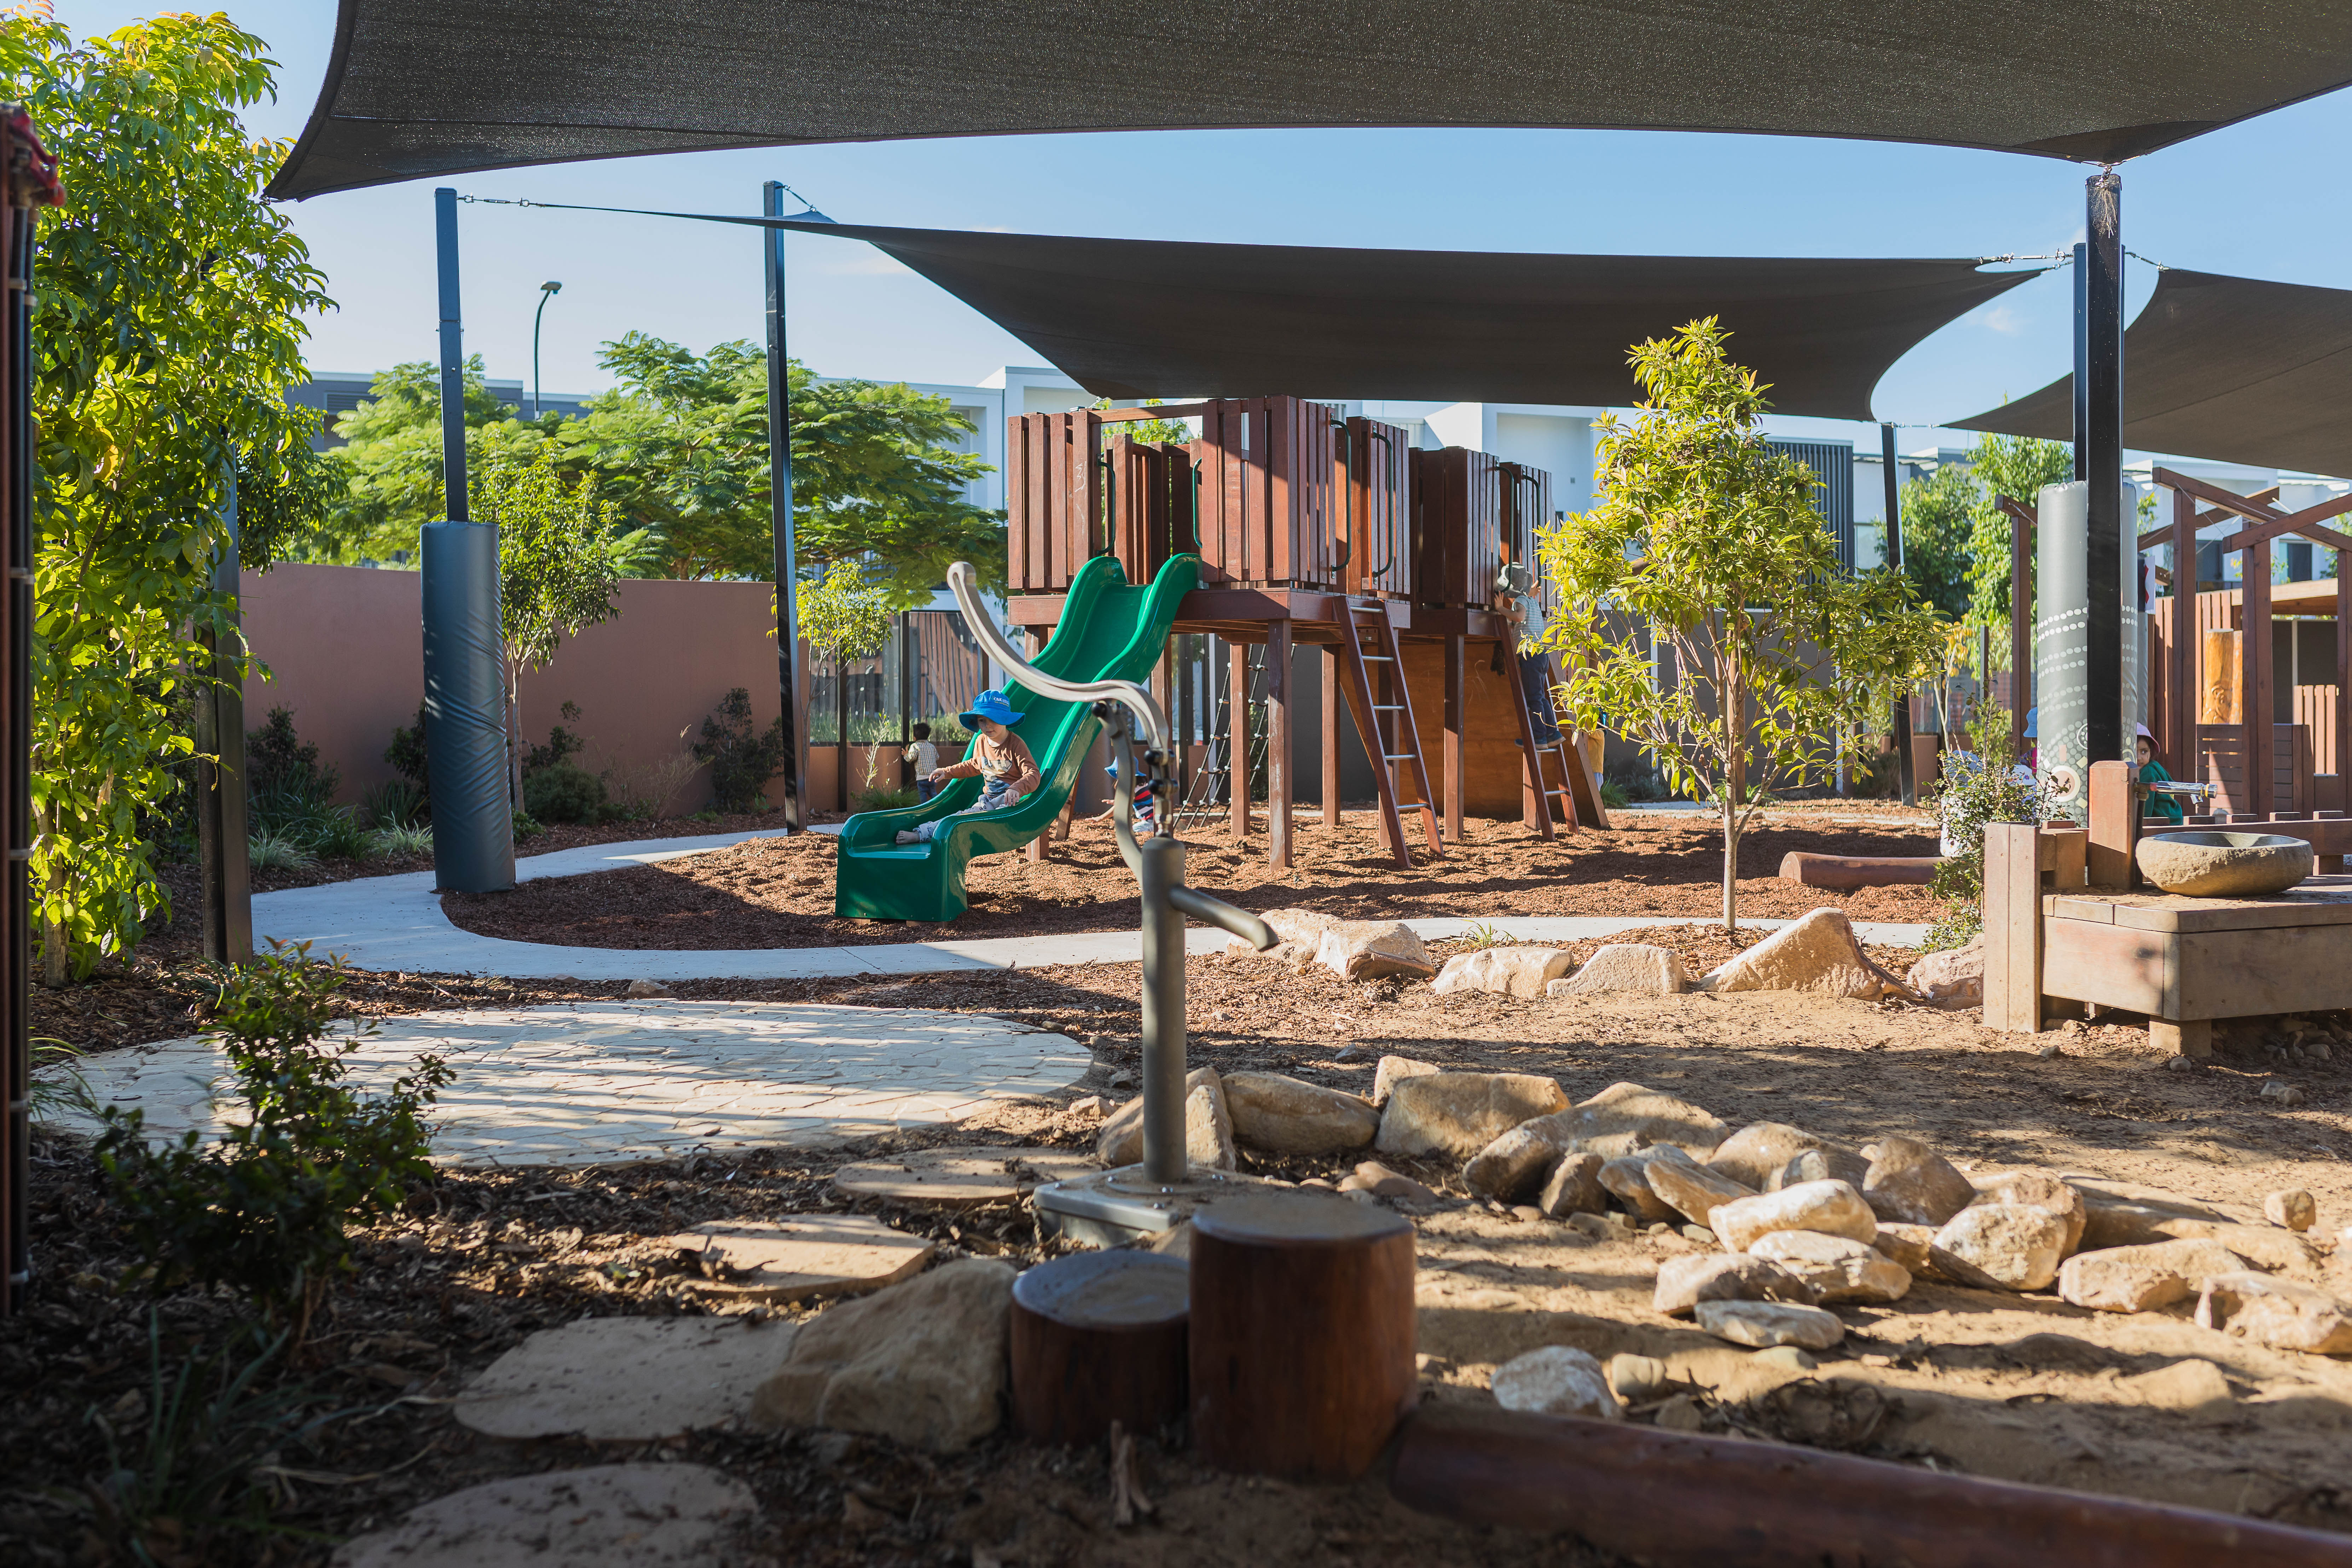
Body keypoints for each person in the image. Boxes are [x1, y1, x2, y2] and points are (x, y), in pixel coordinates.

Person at [896, 690, 1040, 844]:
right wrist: (947, 772)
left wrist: (1017, 788)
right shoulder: (981, 741)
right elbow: (973, 765)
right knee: (959, 819)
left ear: (1005, 718)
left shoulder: (1016, 745)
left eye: (993, 719)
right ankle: (921, 834)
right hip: (988, 803)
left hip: (1011, 804)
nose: (987, 725)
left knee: (986, 820)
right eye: (982, 720)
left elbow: (1033, 774)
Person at [1491, 533, 1560, 743]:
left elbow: (1519, 616)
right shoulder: (1531, 601)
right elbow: (1526, 610)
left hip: (1530, 656)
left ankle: (1538, 737)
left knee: (1533, 699)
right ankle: (1553, 733)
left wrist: (1500, 609)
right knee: (1540, 696)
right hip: (1542, 655)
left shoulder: (1520, 602)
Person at [2136, 725, 2184, 824]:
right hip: (2175, 820)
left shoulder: (2148, 773)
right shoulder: (2155, 766)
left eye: (2144, 752)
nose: (2139, 758)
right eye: (2134, 751)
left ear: (2150, 752)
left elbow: (2145, 812)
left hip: (2164, 825)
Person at [1091, 758, 1155, 829]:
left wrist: (1100, 818)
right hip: (1157, 818)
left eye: (1117, 772)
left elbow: (1121, 807)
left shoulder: (1132, 787)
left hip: (1152, 822)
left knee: (1133, 831)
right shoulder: (1141, 783)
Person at [904, 721, 940, 803]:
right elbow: (937, 757)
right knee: (934, 794)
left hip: (922, 778)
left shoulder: (915, 746)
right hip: (934, 776)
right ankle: (937, 806)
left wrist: (906, 755)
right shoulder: (931, 746)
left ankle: (923, 810)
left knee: (923, 795)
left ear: (915, 738)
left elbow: (911, 758)